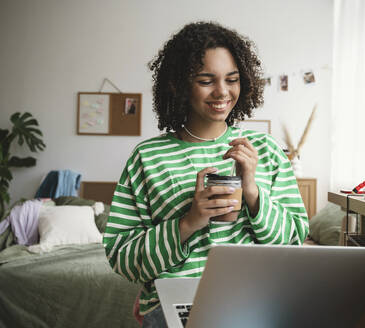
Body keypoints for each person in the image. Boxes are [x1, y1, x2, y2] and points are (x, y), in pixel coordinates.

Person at [103, 21, 309, 327]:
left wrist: (252, 194)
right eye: (206, 80)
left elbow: (294, 240)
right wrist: (188, 222)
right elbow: (122, 256)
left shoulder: (264, 150)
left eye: (232, 79)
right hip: (174, 305)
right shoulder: (147, 158)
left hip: (253, 301)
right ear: (179, 84)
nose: (222, 91)